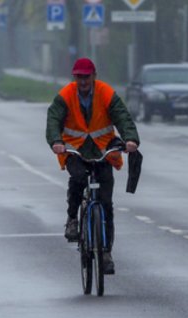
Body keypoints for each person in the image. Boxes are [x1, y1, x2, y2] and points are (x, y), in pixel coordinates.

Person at [46, 57, 140, 274]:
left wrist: (130, 139)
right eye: (79, 77)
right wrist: (56, 142)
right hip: (75, 150)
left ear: (94, 76)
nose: (83, 81)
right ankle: (72, 219)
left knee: (106, 203)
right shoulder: (65, 95)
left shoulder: (106, 93)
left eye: (86, 77)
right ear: (74, 77)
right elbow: (53, 120)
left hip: (102, 151)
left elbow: (123, 118)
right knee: (78, 178)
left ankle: (106, 252)